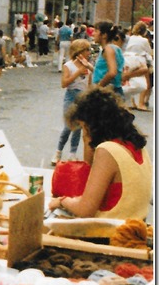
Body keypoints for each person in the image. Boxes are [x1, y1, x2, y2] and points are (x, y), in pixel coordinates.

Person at [47, 87, 152, 220]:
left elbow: (85, 209)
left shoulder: (108, 151)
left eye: (83, 127)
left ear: (92, 126)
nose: (84, 134)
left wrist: (62, 201)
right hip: (135, 226)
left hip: (110, 233)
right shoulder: (137, 146)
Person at [51, 39, 92, 165]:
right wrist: (78, 73)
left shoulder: (88, 66)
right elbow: (64, 83)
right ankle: (58, 151)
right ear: (79, 51)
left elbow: (89, 84)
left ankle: (72, 153)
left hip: (83, 96)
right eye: (87, 50)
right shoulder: (68, 65)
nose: (89, 53)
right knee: (68, 126)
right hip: (71, 95)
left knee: (79, 127)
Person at [124, 21, 153, 111]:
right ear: (144, 31)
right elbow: (149, 51)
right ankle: (141, 103)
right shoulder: (144, 40)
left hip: (127, 60)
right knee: (145, 80)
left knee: (129, 80)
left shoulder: (129, 38)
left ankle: (132, 102)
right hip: (139, 60)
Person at [91, 20, 124, 97]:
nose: (93, 34)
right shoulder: (116, 48)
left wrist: (99, 87)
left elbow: (112, 72)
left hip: (108, 91)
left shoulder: (108, 49)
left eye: (96, 31)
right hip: (115, 89)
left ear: (104, 35)